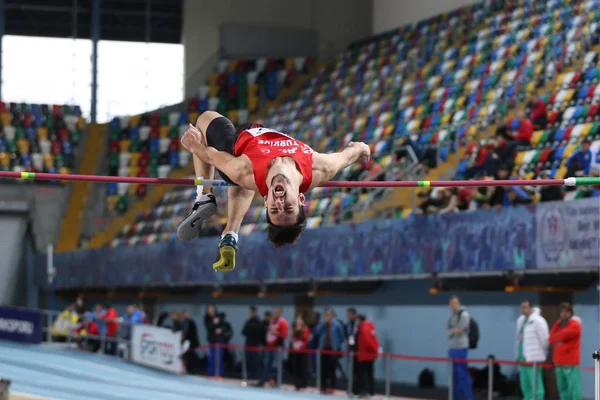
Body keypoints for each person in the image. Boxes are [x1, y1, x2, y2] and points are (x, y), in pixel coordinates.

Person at [177, 111, 371, 271]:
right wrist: (360, 147)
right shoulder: (319, 167)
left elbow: (210, 155)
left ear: (266, 203)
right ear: (301, 199)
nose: (279, 203)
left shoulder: (242, 170)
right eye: (288, 209)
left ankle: (204, 197)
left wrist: (194, 145)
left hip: (238, 148)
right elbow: (344, 158)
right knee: (243, 183)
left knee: (204, 120)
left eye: (274, 210)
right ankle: (230, 235)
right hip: (256, 143)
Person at [515, 300, 549, 400]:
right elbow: (519, 340)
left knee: (536, 387)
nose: (523, 309)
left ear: (531, 308)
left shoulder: (538, 320)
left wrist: (541, 355)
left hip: (534, 359)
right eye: (522, 307)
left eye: (525, 307)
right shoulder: (521, 321)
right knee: (526, 388)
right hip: (522, 359)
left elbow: (545, 339)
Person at [549, 302, 582, 399]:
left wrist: (557, 336)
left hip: (570, 365)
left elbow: (563, 336)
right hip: (559, 364)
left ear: (571, 313)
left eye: (566, 312)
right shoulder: (558, 324)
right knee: (563, 392)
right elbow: (551, 339)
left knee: (573, 390)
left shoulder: (575, 324)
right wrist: (557, 331)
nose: (564, 314)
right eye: (562, 312)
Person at [447, 296, 474, 400]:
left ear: (458, 303)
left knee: (463, 374)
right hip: (452, 348)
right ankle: (455, 397)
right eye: (451, 303)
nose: (453, 305)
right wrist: (453, 331)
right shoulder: (451, 317)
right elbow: (447, 331)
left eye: (455, 302)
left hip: (461, 347)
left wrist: (452, 331)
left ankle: (469, 397)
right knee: (454, 376)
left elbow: (460, 330)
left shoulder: (464, 314)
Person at [314, 308, 345, 394]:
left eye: (328, 314)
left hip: (333, 350)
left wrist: (337, 345)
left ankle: (331, 387)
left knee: (332, 370)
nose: (327, 316)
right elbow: (316, 332)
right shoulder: (322, 324)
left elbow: (342, 337)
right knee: (323, 369)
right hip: (323, 349)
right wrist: (323, 324)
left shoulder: (337, 325)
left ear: (332, 314)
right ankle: (323, 387)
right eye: (326, 314)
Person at [257, 307, 288, 387]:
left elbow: (284, 335)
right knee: (266, 363)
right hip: (269, 346)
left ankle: (277, 381)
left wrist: (276, 333)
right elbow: (269, 332)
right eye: (275, 312)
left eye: (277, 312)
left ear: (281, 313)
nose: (275, 313)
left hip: (277, 347)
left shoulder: (283, 322)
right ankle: (264, 380)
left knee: (277, 365)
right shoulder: (272, 321)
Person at [355, 314, 379, 397]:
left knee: (363, 374)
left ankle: (363, 391)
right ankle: (371, 391)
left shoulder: (364, 329)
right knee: (370, 374)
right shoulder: (370, 327)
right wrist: (375, 350)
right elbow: (374, 340)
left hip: (365, 355)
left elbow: (368, 341)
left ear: (360, 320)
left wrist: (374, 350)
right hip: (370, 355)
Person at [242, 306, 266, 380]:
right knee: (248, 362)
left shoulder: (259, 322)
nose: (251, 313)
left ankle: (256, 377)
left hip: (256, 346)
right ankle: (249, 377)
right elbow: (243, 332)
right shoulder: (248, 321)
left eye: (252, 312)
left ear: (255, 312)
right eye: (250, 312)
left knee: (256, 363)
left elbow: (261, 333)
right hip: (248, 345)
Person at [288, 315, 310, 390]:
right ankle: (296, 384)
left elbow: (306, 339)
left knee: (303, 368)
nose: (298, 321)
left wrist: (300, 345)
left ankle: (303, 384)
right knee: (296, 368)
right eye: (297, 320)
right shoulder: (294, 329)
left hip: (303, 351)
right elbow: (291, 338)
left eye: (300, 320)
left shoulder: (306, 329)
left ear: (302, 321)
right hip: (295, 351)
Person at [204, 304, 224, 378]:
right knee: (211, 358)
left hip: (219, 340)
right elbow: (208, 327)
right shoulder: (206, 318)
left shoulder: (219, 316)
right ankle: (211, 374)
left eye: (212, 308)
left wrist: (220, 330)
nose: (211, 310)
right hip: (212, 341)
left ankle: (219, 374)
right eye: (209, 308)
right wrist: (213, 322)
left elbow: (223, 326)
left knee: (219, 358)